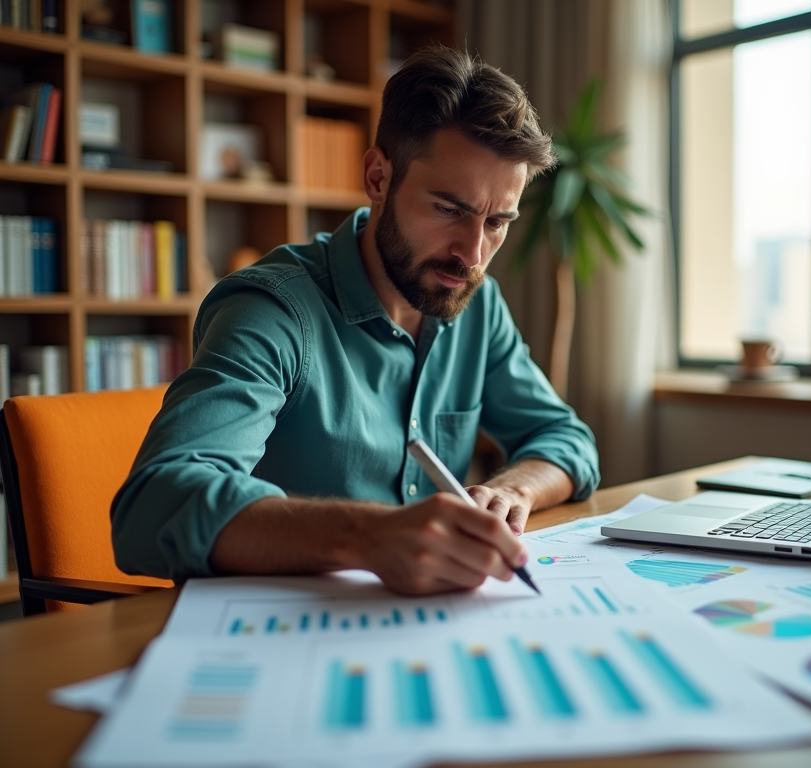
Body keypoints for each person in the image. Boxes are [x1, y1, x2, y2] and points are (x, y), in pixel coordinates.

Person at [111, 45, 600, 596]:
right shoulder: (272, 310)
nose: (472, 253)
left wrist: (514, 490)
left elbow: (565, 438)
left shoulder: (476, 304)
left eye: (497, 222)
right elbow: (152, 508)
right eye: (448, 209)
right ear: (377, 177)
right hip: (282, 639)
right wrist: (369, 536)